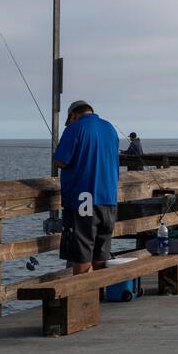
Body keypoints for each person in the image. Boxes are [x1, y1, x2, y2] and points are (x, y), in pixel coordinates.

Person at [52, 100, 119, 275]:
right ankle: (100, 294)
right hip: (109, 198)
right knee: (101, 253)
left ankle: (81, 298)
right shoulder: (110, 128)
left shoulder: (74, 128)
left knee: (82, 251)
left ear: (73, 115)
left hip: (84, 198)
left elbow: (60, 161)